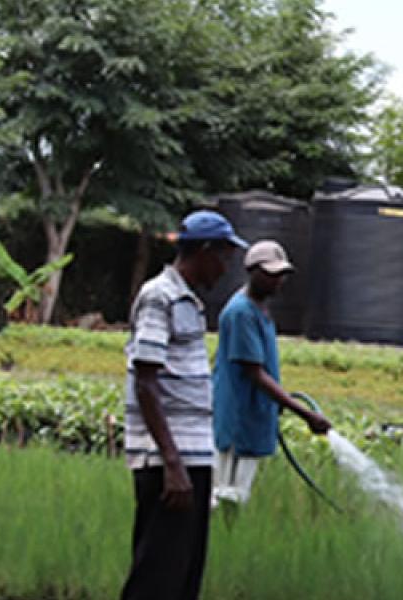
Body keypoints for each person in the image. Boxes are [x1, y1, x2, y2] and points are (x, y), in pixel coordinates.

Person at [121, 211, 245, 600]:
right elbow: (145, 381)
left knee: (182, 578)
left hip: (192, 459)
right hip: (168, 464)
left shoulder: (189, 301)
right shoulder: (160, 296)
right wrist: (173, 465)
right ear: (204, 251)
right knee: (157, 578)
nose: (226, 268)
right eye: (224, 257)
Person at [211, 240, 331, 509]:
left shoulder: (261, 308)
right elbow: (254, 373)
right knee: (225, 496)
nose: (279, 281)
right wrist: (305, 413)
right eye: (272, 274)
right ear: (252, 272)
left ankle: (231, 539)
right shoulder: (241, 312)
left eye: (282, 275)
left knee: (240, 494)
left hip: (253, 414)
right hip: (237, 418)